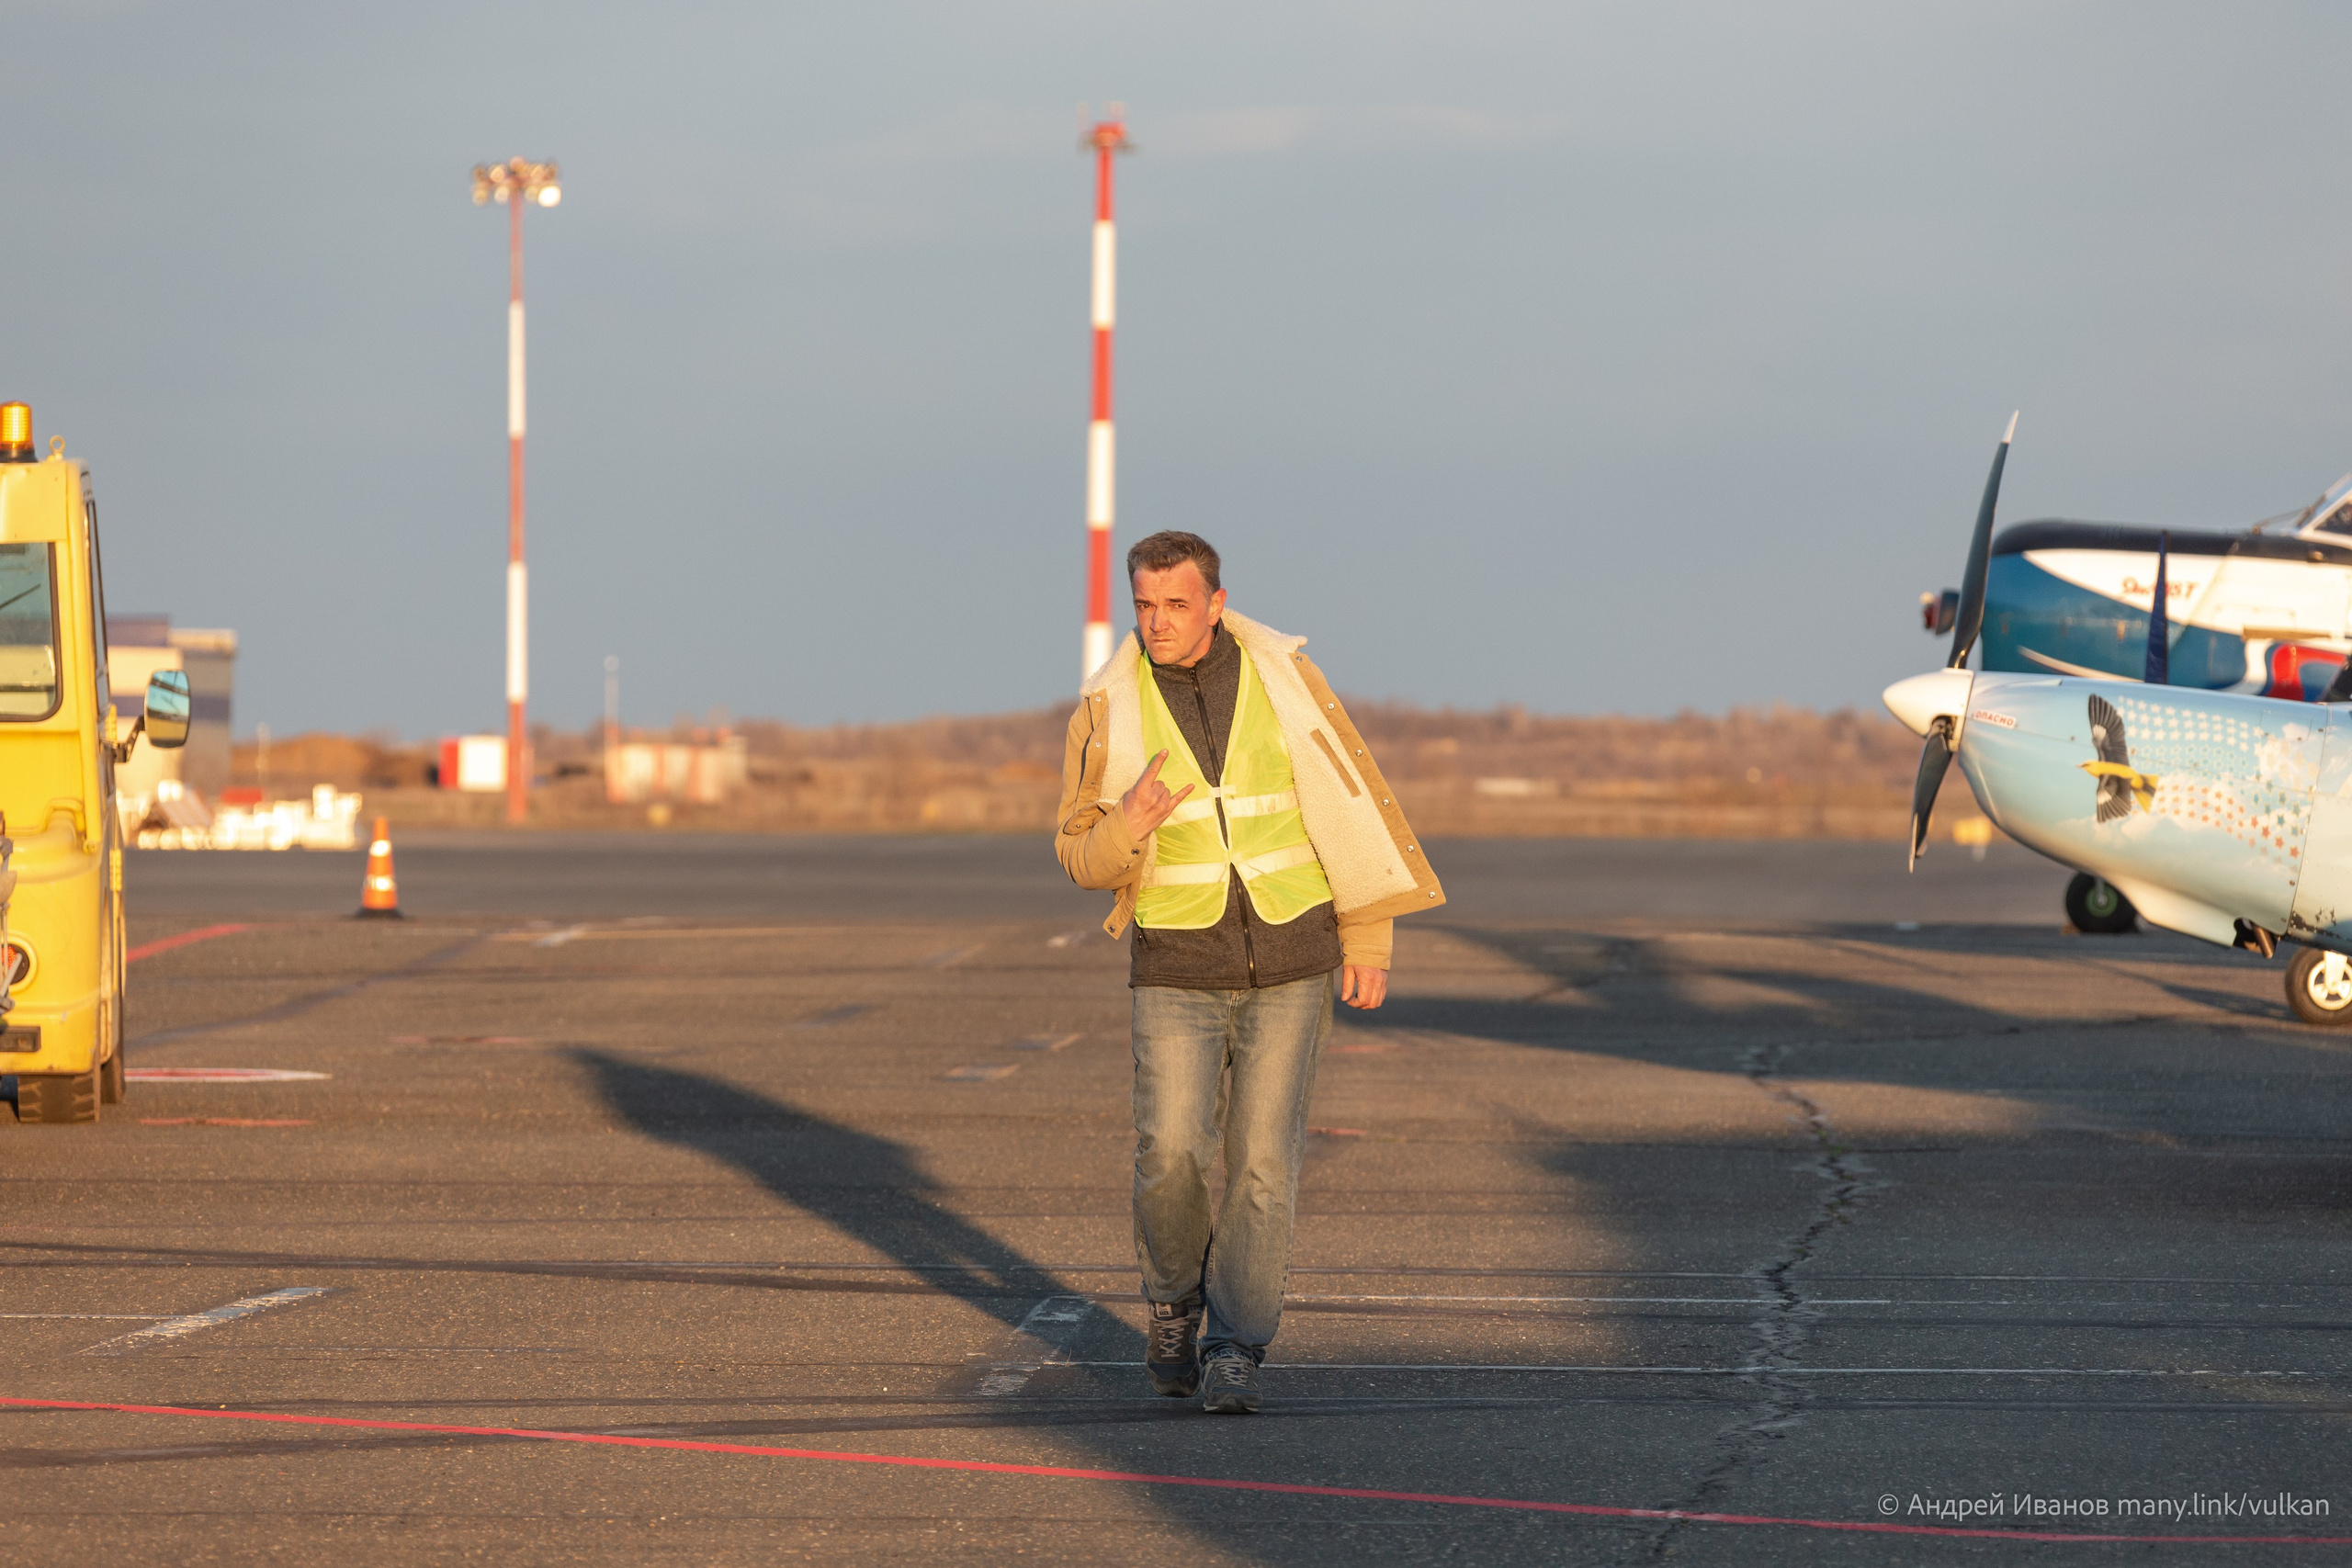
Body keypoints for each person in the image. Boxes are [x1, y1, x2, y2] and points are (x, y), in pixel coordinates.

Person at [1054, 530, 1444, 1414]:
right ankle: (1172, 1302)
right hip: (1175, 962)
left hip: (1294, 954)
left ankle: (1235, 1345)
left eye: (1177, 604)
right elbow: (1077, 852)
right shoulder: (1108, 707)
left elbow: (1348, 802)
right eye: (1145, 605)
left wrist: (1369, 935)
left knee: (1264, 1163)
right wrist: (1131, 824)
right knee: (1172, 1157)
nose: (1157, 622)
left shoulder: (1284, 677)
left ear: (1216, 603)